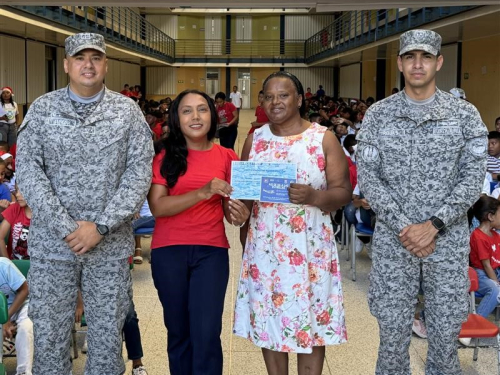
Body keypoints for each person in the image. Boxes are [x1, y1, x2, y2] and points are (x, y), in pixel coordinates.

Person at [16, 33, 154, 375]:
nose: (88, 65)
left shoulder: (127, 112)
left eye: (95, 58)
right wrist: (67, 227)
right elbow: (29, 172)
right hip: (52, 247)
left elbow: (139, 173)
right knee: (49, 340)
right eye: (80, 58)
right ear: (66, 65)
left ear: (106, 64)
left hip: (108, 248)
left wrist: (101, 226)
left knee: (107, 342)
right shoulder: (43, 109)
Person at [356, 29, 488, 374]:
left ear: (438, 62)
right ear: (400, 63)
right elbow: (369, 178)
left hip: (445, 243)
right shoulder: (379, 115)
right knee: (392, 340)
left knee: (445, 339)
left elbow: (473, 179)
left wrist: (433, 226)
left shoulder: (464, 115)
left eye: (426, 57)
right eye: (411, 56)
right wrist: (406, 227)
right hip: (394, 243)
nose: (418, 64)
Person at [233, 71, 351, 375]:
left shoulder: (322, 138)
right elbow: (246, 199)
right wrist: (240, 217)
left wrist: (314, 196)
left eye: (283, 95)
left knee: (310, 319)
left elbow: (342, 193)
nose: (275, 102)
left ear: (299, 99)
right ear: (261, 101)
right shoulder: (254, 140)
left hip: (309, 249)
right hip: (265, 249)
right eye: (268, 96)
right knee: (269, 316)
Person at [148, 89, 250, 375]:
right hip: (168, 252)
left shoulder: (228, 156)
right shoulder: (165, 156)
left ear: (213, 115)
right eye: (187, 110)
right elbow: (158, 207)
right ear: (177, 118)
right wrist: (203, 192)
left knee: (206, 334)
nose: (195, 117)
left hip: (211, 252)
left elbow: (234, 211)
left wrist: (240, 214)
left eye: (202, 109)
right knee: (179, 333)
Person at [0, 257, 33, 375]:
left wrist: (7, 318)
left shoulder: (4, 265)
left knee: (26, 327)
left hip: (20, 305)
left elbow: (25, 290)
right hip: (1, 312)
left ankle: (23, 372)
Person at [469, 196, 500, 321]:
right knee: (495, 291)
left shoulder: (495, 235)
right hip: (481, 275)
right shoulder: (478, 236)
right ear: (490, 216)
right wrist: (496, 283)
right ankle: (475, 323)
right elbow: (486, 265)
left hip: (495, 271)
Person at [0, 186, 31, 259]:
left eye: (22, 190)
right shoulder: (15, 208)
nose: (17, 195)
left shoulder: (45, 214)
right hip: (14, 263)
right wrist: (8, 265)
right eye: (16, 190)